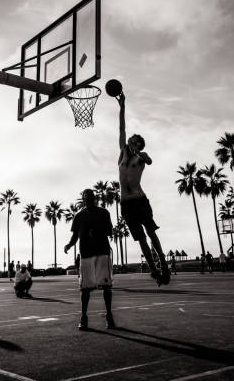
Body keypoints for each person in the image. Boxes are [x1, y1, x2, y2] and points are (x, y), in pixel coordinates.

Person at [115, 92, 169, 286]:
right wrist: (122, 107)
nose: (130, 141)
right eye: (131, 139)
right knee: (140, 238)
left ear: (139, 144)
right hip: (126, 203)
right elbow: (121, 128)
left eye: (135, 140)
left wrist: (140, 151)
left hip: (139, 200)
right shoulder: (122, 154)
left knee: (151, 232)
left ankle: (162, 261)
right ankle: (153, 269)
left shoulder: (140, 157)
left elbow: (150, 160)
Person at [64, 189, 115, 330]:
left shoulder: (104, 213)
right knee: (85, 288)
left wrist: (96, 232)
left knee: (106, 287)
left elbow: (109, 231)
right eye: (86, 198)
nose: (88, 200)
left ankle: (109, 317)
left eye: (90, 198)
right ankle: (84, 317)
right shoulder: (79, 216)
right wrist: (69, 244)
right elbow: (75, 236)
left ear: (94, 199)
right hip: (86, 254)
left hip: (101, 253)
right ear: (83, 200)